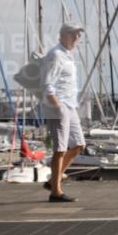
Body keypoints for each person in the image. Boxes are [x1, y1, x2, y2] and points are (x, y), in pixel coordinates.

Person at [41, 23, 86, 202]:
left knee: (79, 145)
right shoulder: (56, 55)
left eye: (78, 35)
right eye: (73, 34)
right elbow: (47, 83)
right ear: (63, 35)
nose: (77, 38)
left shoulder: (67, 55)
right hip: (58, 106)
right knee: (60, 149)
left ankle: (54, 179)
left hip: (70, 105)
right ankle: (55, 192)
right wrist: (57, 105)